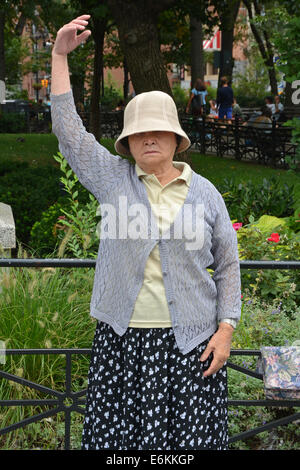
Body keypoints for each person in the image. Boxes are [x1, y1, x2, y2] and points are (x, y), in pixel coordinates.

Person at [50, 14, 241, 451]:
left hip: (192, 346)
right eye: (139, 133)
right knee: (122, 450)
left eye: (159, 131)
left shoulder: (207, 194)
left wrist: (225, 331)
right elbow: (69, 131)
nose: (149, 139)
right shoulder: (113, 180)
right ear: (127, 142)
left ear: (176, 139)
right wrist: (59, 56)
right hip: (122, 344)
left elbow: (228, 267)